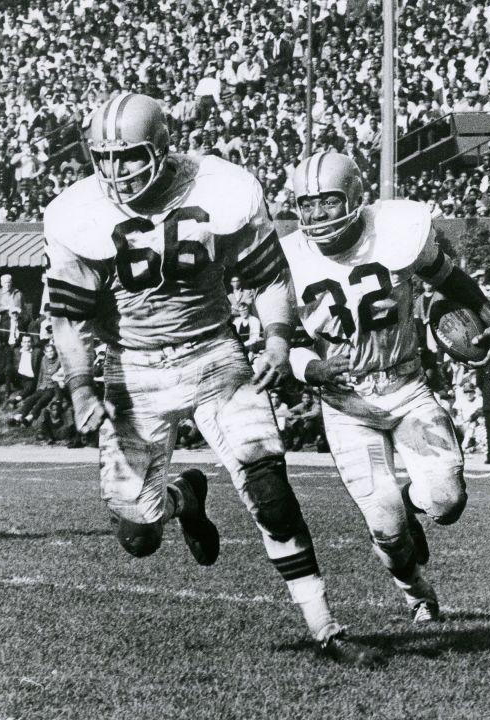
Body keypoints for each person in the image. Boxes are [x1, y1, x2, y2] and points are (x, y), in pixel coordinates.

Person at [42, 92, 381, 666]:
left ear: (163, 146)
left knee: (271, 494)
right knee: (139, 532)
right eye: (104, 157)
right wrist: (79, 386)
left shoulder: (220, 188)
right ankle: (183, 499)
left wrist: (276, 338)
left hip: (214, 354)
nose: (116, 171)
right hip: (133, 367)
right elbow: (69, 315)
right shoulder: (77, 211)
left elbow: (271, 278)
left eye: (129, 156)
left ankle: (327, 628)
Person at [279, 151, 490, 623]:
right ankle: (417, 591)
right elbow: (280, 339)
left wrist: (486, 313)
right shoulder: (287, 258)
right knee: (385, 525)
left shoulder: (395, 235)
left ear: (356, 199)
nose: (317, 215)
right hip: (345, 402)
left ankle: (409, 505)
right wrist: (308, 368)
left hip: (405, 385)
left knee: (446, 501)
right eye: (307, 204)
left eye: (328, 201)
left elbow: (447, 276)